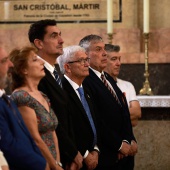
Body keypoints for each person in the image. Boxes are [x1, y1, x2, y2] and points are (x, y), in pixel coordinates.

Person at [28, 19, 83, 169]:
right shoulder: (37, 75)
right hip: (52, 157)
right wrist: (72, 153)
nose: (61, 40)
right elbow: (50, 120)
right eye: (54, 36)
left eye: (60, 34)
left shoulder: (54, 72)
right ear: (39, 43)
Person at [79, 35, 137, 170]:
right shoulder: (86, 81)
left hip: (125, 153)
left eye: (104, 49)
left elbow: (124, 112)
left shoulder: (108, 78)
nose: (104, 53)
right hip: (107, 155)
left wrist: (130, 139)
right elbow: (96, 119)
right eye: (98, 49)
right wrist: (119, 145)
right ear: (85, 54)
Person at [9, 46, 63, 170]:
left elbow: (52, 131)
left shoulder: (42, 95)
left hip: (53, 163)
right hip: (37, 163)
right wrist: (53, 166)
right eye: (35, 60)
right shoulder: (21, 97)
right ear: (24, 70)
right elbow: (35, 138)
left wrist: (58, 163)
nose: (42, 62)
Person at [0, 47, 47, 170]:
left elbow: (27, 138)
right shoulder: (19, 97)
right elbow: (9, 145)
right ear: (24, 70)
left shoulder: (6, 99)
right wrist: (42, 163)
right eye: (4, 61)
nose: (10, 64)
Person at [57, 45, 100, 170]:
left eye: (87, 60)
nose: (87, 64)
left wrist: (96, 150)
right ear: (67, 67)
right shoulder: (61, 91)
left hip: (94, 156)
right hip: (75, 160)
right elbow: (65, 129)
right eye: (81, 60)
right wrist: (86, 154)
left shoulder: (86, 89)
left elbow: (94, 122)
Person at [104, 44, 141, 127]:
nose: (118, 63)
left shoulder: (128, 85)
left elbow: (137, 113)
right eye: (114, 59)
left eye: (119, 59)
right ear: (103, 61)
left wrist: (114, 116)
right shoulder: (99, 85)